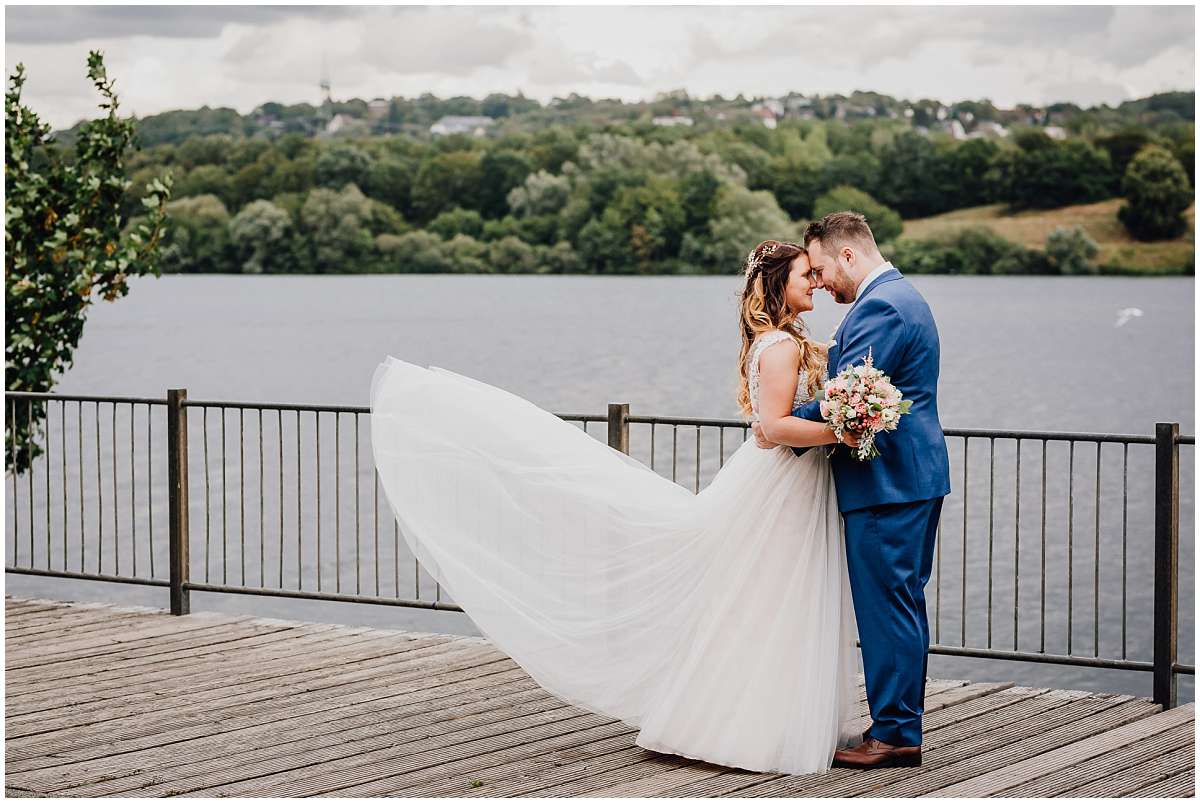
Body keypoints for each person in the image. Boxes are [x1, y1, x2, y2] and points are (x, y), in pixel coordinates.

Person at [369, 239, 863, 776]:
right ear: (777, 285)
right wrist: (844, 427)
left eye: (815, 275)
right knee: (771, 597)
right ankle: (759, 725)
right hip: (782, 484)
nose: (813, 282)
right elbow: (772, 429)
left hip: (781, 481)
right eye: (803, 275)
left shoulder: (773, 341)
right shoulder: (783, 346)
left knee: (759, 598)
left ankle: (754, 717)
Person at [753, 211, 951, 769]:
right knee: (900, 602)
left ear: (847, 256)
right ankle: (895, 723)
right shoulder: (897, 296)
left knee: (888, 606)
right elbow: (858, 394)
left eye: (819, 269)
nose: (818, 282)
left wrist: (781, 426)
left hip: (888, 482)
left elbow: (848, 395)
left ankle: (894, 733)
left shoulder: (882, 306)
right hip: (903, 479)